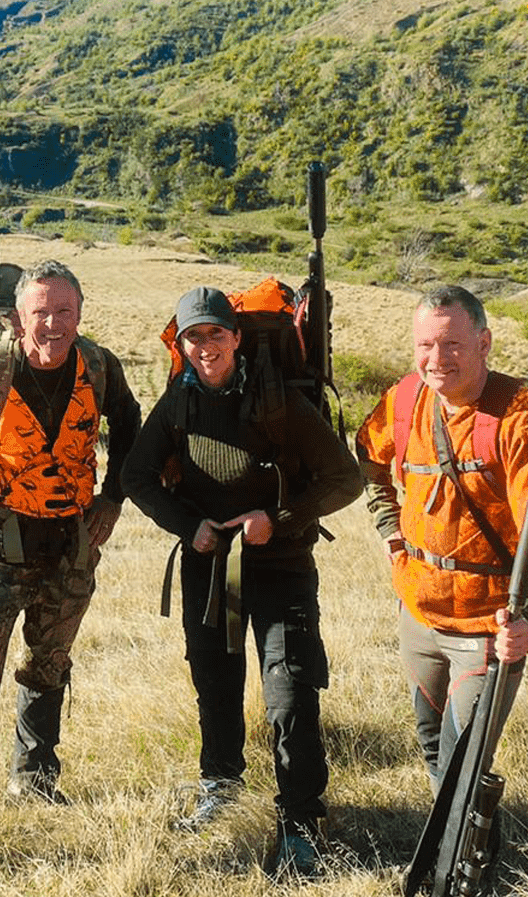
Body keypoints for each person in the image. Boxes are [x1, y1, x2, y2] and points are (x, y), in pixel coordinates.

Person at [121, 285, 362, 878]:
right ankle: (220, 786)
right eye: (194, 337)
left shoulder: (278, 399)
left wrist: (276, 521)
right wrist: (188, 526)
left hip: (281, 567)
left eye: (216, 334)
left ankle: (301, 823)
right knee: (216, 680)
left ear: (237, 337)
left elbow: (344, 479)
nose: (206, 347)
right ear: (181, 345)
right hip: (210, 569)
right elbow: (136, 475)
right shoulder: (178, 403)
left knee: (290, 693)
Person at [0, 260, 140, 889]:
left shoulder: (99, 367)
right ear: (18, 317)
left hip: (71, 550)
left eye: (65, 311)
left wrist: (111, 498)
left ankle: (35, 776)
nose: (53, 323)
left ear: (80, 313)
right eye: (40, 311)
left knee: (49, 663)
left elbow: (131, 430)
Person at [354, 284, 528, 790]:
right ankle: (447, 858)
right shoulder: (404, 400)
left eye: (452, 344)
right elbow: (367, 456)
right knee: (433, 746)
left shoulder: (522, 419)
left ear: (484, 343)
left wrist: (525, 620)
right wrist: (390, 530)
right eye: (425, 346)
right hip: (419, 612)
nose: (436, 359)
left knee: (462, 763)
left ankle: (471, 865)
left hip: (487, 625)